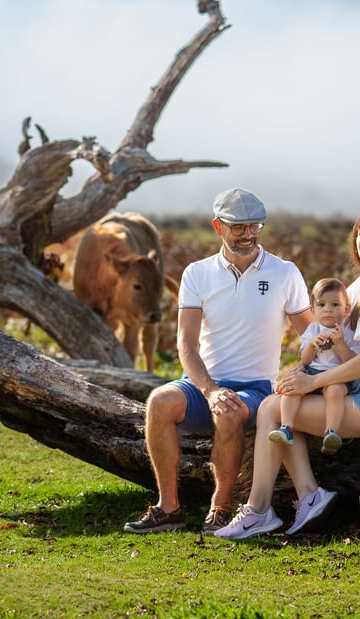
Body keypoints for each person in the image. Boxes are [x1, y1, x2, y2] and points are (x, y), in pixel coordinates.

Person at [214, 203, 360, 540]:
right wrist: (302, 368)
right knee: (283, 402)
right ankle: (307, 496)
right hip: (355, 388)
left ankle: (260, 511)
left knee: (272, 407)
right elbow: (331, 341)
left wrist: (313, 380)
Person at [123, 188, 314, 534]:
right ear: (218, 227)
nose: (247, 234)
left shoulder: (285, 273)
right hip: (202, 385)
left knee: (229, 411)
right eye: (238, 227)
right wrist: (209, 390)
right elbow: (186, 343)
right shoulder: (197, 274)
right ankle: (169, 508)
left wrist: (303, 370)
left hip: (256, 389)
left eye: (254, 226)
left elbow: (311, 335)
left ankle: (221, 507)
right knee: (159, 402)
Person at [269, 277, 360, 456]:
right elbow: (305, 359)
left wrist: (340, 344)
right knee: (292, 388)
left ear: (346, 308)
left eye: (335, 304)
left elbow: (352, 361)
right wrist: (311, 345)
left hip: (337, 376)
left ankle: (331, 432)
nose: (328, 309)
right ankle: (286, 427)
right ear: (313, 309)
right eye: (321, 305)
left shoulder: (348, 332)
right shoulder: (312, 330)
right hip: (312, 372)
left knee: (335, 392)